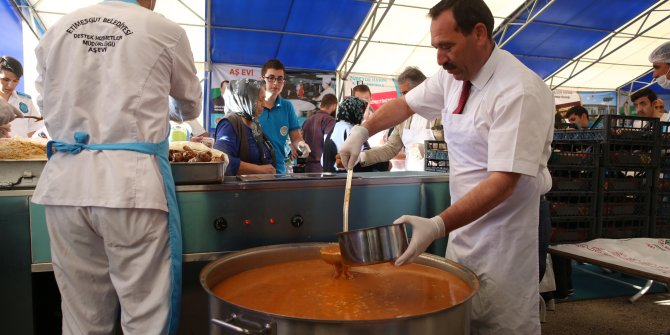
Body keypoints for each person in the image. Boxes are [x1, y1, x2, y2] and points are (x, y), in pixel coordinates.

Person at [338, 0, 554, 333]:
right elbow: (405, 104)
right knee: (457, 318)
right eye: (436, 47)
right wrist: (363, 131)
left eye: (447, 46)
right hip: (463, 230)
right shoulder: (452, 76)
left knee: (501, 323)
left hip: (505, 242)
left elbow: (503, 182)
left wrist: (437, 225)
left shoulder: (518, 91)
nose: (439, 58)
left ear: (479, 33)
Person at [31, 1, 202, 334]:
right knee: (145, 315)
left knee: (82, 317)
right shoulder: (164, 29)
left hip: (66, 183)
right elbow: (190, 105)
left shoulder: (56, 30)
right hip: (130, 185)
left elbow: (44, 101)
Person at [359, 67, 443, 171]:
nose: (403, 98)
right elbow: (390, 149)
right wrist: (362, 157)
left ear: (421, 89)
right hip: (411, 179)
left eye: (405, 93)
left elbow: (457, 149)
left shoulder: (440, 113)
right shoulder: (403, 119)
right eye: (402, 93)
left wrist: (427, 149)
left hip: (439, 180)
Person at [213, 79, 275, 175]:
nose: (264, 104)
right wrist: (261, 171)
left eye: (264, 99)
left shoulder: (254, 124)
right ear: (246, 99)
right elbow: (220, 159)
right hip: (238, 189)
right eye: (259, 100)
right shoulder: (229, 124)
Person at [258, 59, 310, 174]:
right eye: (271, 78)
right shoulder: (253, 105)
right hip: (255, 169)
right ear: (262, 79)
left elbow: (295, 137)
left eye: (280, 78)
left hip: (279, 169)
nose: (276, 83)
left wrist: (301, 145)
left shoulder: (287, 107)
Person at [0, 56, 43, 137]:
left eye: (15, 81)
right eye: (6, 79)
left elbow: (35, 130)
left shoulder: (25, 101)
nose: (10, 85)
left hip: (20, 148)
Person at [301, 93, 337, 173]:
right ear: (334, 106)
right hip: (323, 168)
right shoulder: (330, 121)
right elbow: (330, 143)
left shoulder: (307, 120)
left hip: (308, 167)